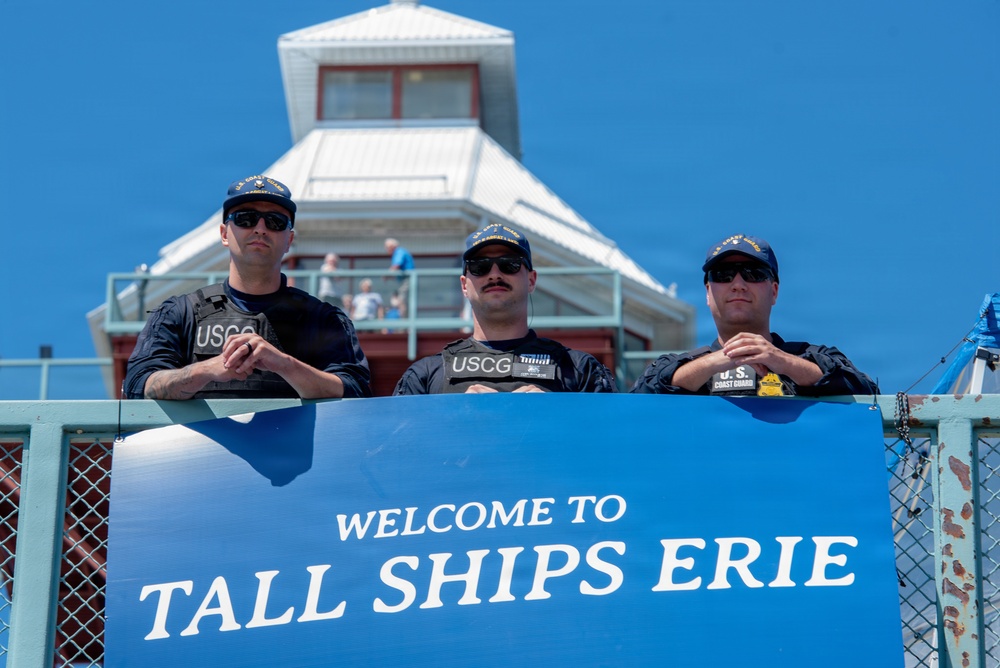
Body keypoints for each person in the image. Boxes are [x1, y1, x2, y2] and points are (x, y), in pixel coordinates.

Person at [124, 175, 371, 400]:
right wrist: (207, 369)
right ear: (224, 234)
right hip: (203, 450)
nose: (260, 228)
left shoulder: (325, 319)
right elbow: (139, 385)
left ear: (289, 241)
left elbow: (355, 390)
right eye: (246, 219)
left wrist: (283, 364)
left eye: (275, 221)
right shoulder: (179, 313)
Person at [630, 234, 877, 397]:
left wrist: (782, 361)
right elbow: (637, 400)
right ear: (708, 293)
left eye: (753, 273)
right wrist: (718, 361)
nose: (738, 284)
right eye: (723, 275)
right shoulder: (675, 366)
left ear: (774, 292)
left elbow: (866, 394)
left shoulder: (813, 357)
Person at [393, 223, 616, 394]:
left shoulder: (580, 370)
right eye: (480, 266)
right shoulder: (424, 376)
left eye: (510, 264)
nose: (495, 274)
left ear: (531, 280)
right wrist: (455, 414)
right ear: (464, 285)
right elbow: (396, 449)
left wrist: (554, 414)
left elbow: (614, 443)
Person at [384, 238, 414, 317]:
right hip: (404, 280)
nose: (386, 250)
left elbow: (396, 266)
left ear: (392, 246)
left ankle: (403, 325)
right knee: (402, 301)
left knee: (401, 301)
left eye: (387, 247)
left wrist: (387, 274)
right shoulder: (397, 253)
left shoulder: (399, 252)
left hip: (407, 280)